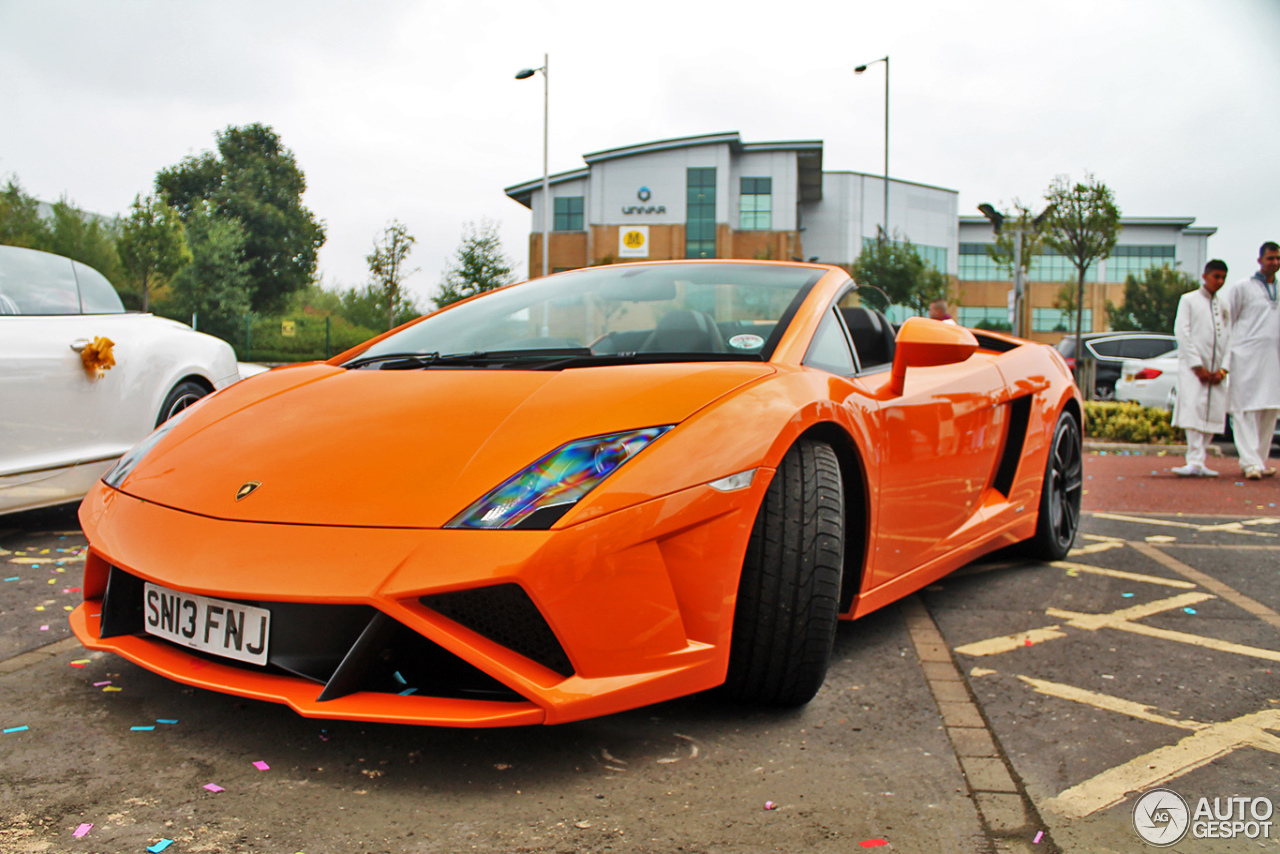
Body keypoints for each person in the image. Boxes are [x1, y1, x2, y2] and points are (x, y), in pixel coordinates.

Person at [1224, 242, 1280, 479]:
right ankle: (1249, 463)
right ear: (1260, 261)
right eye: (1270, 259)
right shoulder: (1242, 288)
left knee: (1269, 411)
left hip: (1273, 360)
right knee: (1245, 410)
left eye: (1278, 258)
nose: (1275, 263)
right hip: (1245, 358)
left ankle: (1259, 459)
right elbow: (1228, 322)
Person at [1171, 260, 1231, 476]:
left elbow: (1230, 337)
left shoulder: (1223, 305)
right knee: (1193, 410)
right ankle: (1193, 460)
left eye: (1223, 277)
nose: (1220, 281)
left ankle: (1201, 459)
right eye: (1216, 276)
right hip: (1193, 369)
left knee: (1213, 413)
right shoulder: (1189, 300)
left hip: (1217, 372)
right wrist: (1197, 366)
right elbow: (1182, 332)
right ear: (1205, 276)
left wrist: (1223, 369)